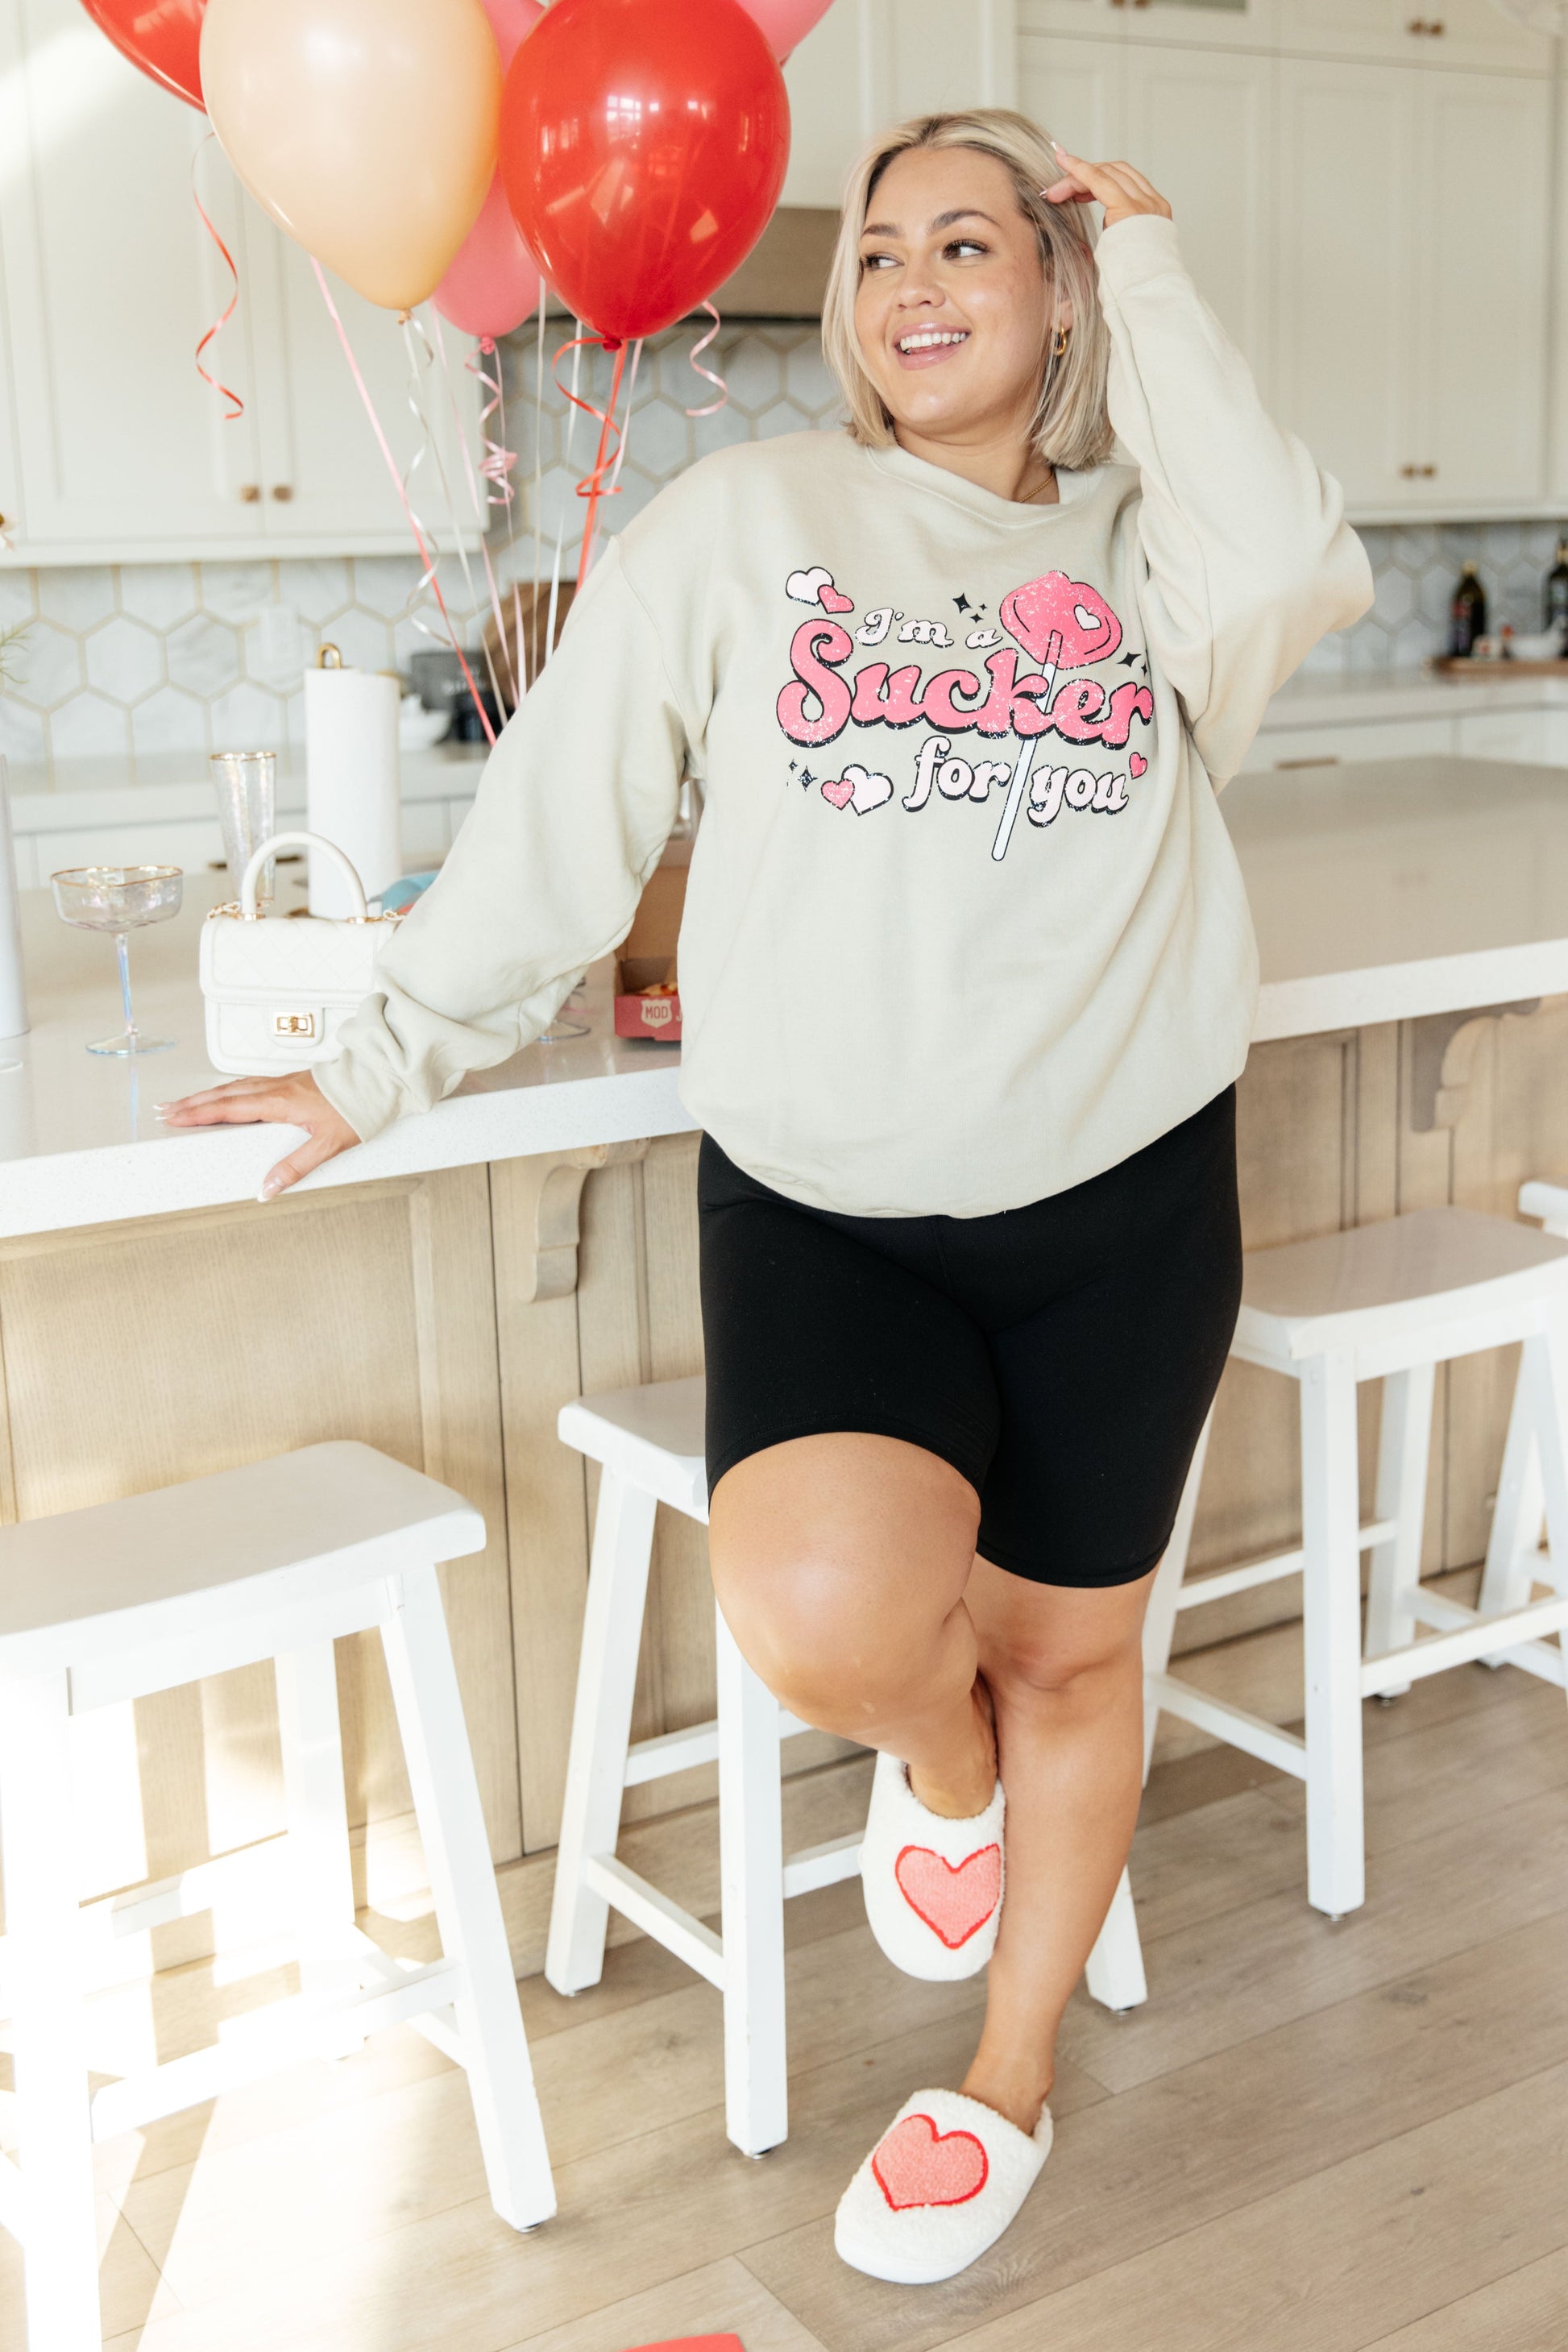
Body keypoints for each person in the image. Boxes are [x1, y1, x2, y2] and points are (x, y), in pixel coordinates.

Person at [163, 110, 1372, 2284]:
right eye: (881, 251)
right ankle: (942, 1778)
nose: (914, 283)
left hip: (1122, 1192)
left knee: (1073, 1656)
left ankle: (1005, 2080)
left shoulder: (1157, 552)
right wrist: (375, 1060)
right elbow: (560, 817)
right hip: (823, 1196)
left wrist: (1158, 262)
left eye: (973, 244)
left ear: (1060, 297)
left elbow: (1291, 557)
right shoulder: (746, 524)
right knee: (825, 1621)